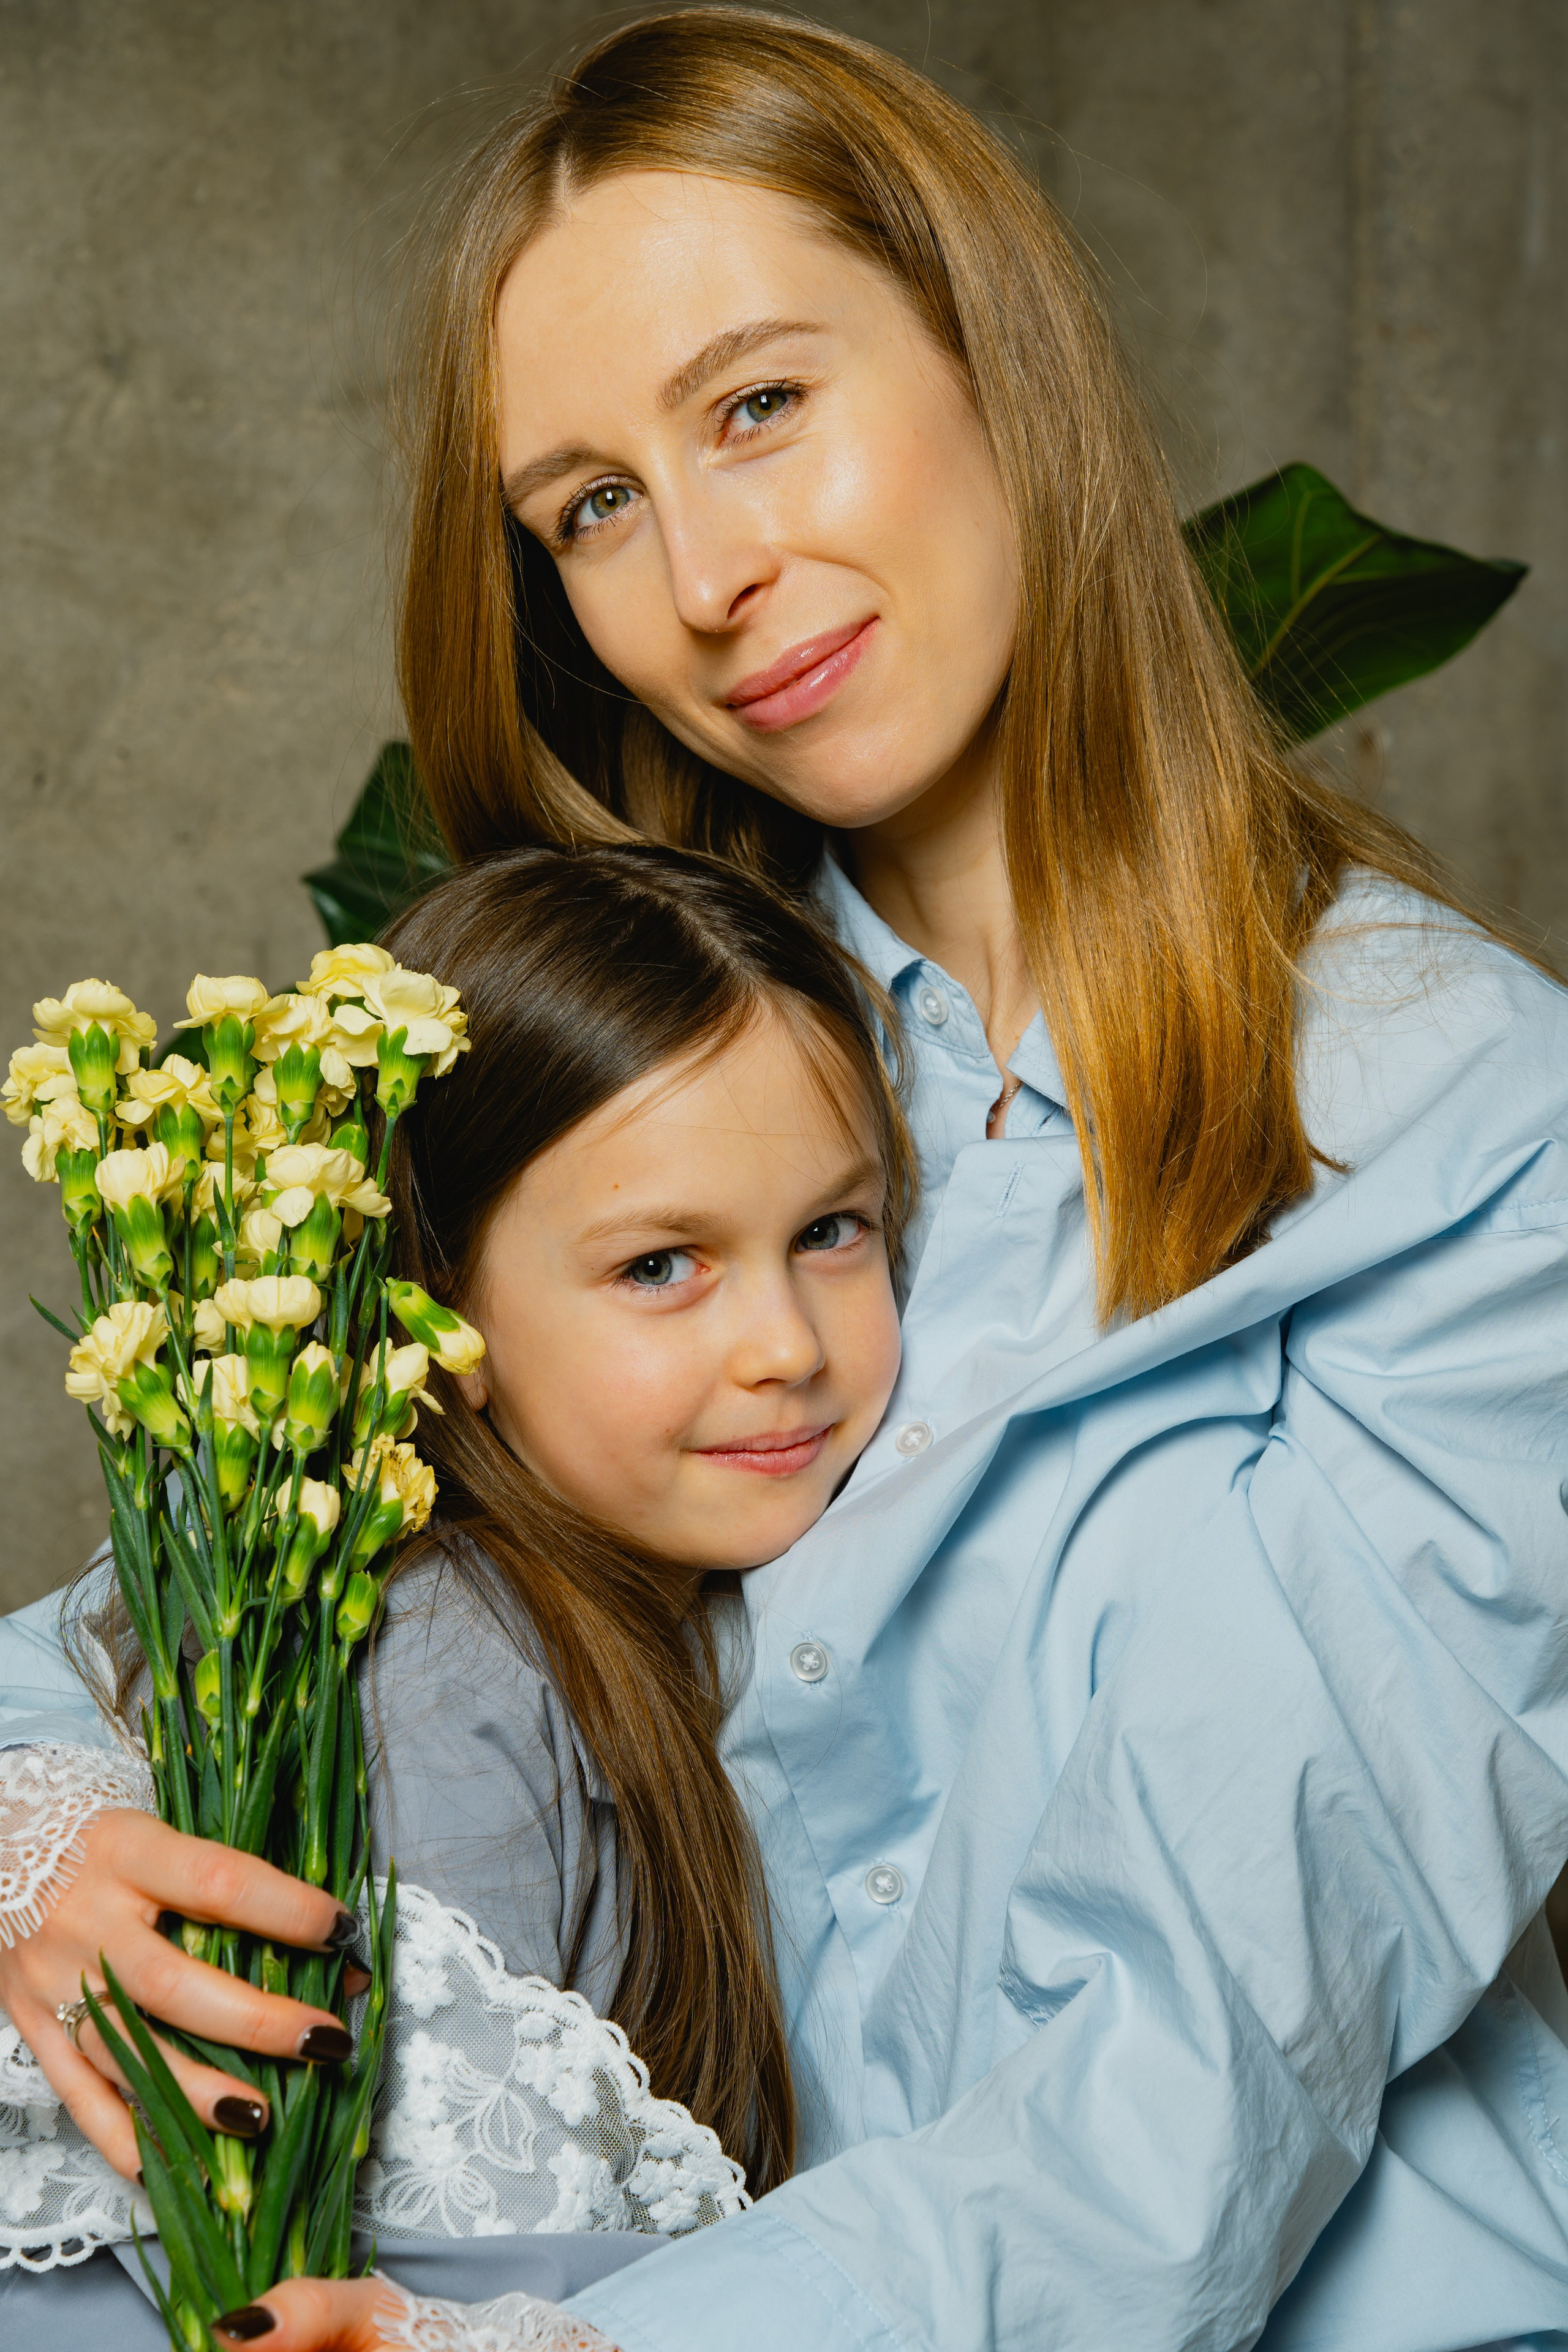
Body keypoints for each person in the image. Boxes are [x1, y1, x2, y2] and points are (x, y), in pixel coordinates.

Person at [4, 10, 1568, 2348]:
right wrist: (46, 1853)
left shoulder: (1468, 1127)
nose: (711, 570)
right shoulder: (673, 1051)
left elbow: (1209, 2055)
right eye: (594, 508)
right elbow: (151, 1628)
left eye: (759, 405)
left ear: (992, 350)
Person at [0, 842, 910, 2333]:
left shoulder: (673, 1595)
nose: (786, 1347)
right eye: (662, 1266)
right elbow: (417, 2259)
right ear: (439, 1318)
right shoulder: (441, 1667)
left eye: (829, 1231)